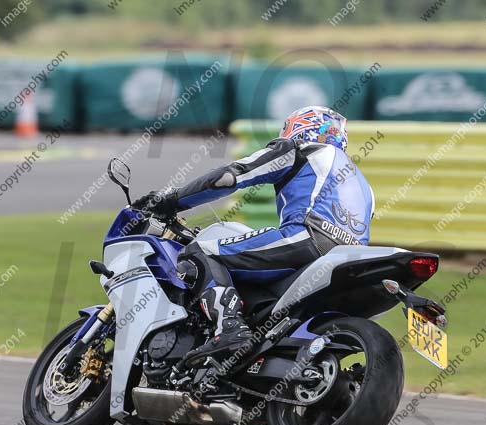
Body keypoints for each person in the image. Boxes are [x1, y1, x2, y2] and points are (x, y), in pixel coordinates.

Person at [132, 105, 374, 363]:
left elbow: (227, 178)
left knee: (200, 252)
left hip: (308, 238)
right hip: (351, 257)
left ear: (300, 127)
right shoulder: (365, 185)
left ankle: (229, 328)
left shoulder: (299, 150)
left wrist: (173, 200)